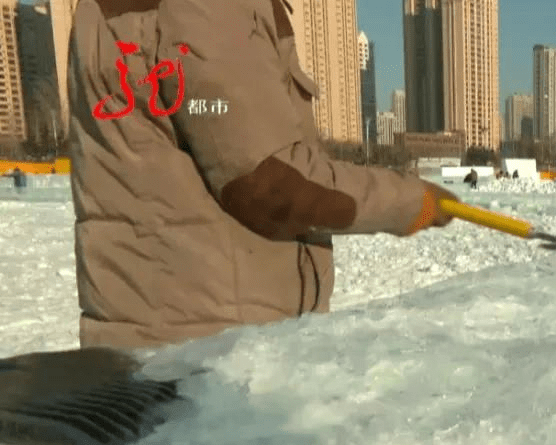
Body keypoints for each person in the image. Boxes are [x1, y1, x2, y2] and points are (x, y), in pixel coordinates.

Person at [68, 0, 456, 350]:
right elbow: (270, 184)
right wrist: (412, 202)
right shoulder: (204, 11)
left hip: (159, 338)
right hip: (211, 352)